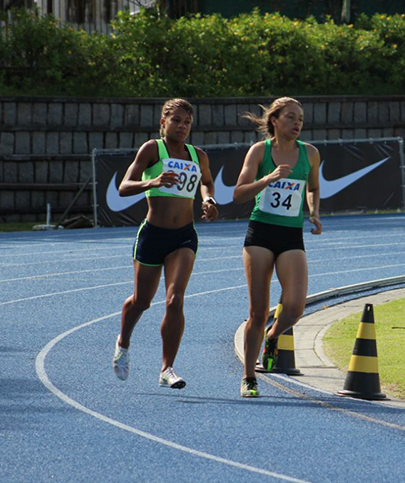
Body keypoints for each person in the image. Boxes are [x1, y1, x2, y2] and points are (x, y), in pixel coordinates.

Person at [112, 98, 219, 388]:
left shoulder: (198, 156)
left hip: (183, 235)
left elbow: (207, 182)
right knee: (142, 301)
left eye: (187, 122)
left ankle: (167, 368)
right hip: (152, 235)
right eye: (177, 121)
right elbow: (123, 187)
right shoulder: (152, 149)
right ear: (163, 123)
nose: (182, 126)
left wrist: (208, 198)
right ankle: (123, 342)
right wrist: (153, 181)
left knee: (175, 299)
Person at [233, 97, 321, 397]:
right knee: (257, 312)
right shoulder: (260, 152)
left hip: (291, 235)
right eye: (290, 117)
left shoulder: (310, 153)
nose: (297, 123)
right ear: (274, 120)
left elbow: (313, 187)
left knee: (295, 306)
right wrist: (268, 178)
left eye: (301, 119)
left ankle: (273, 336)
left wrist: (314, 211)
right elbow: (238, 194)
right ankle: (249, 377)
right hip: (260, 233)